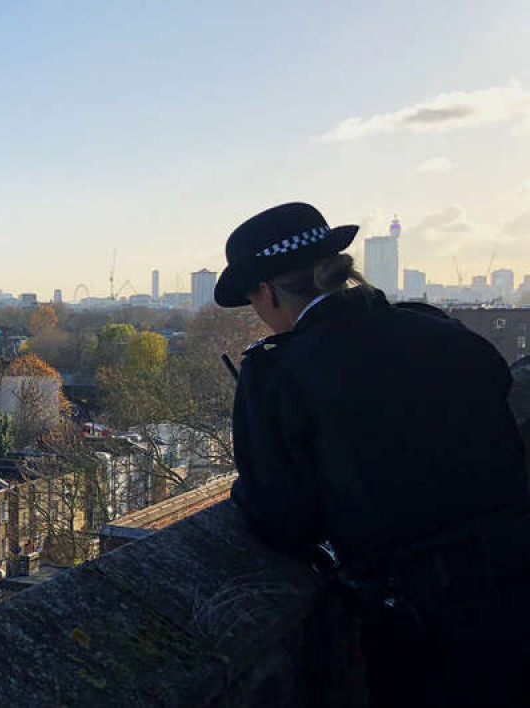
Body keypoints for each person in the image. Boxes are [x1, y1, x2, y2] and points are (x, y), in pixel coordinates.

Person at [215, 202, 530, 707]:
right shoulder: (438, 331)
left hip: (420, 617)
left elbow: (279, 516)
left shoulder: (278, 374)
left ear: (267, 293)